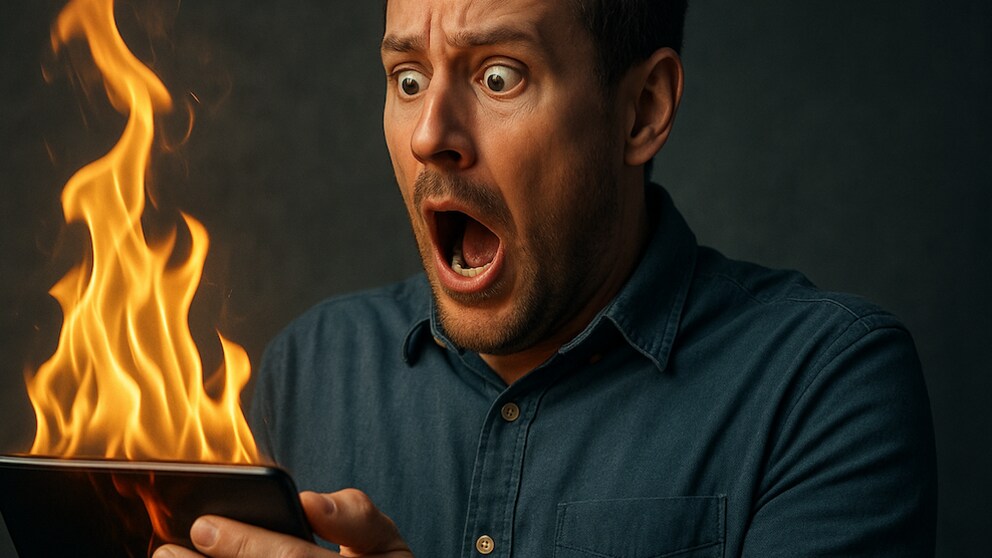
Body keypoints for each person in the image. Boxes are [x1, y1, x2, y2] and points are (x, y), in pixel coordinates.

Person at [154, 0, 937, 556]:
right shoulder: (308, 372)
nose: (431, 136)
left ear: (642, 110)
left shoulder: (822, 384)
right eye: (407, 78)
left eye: (499, 77)